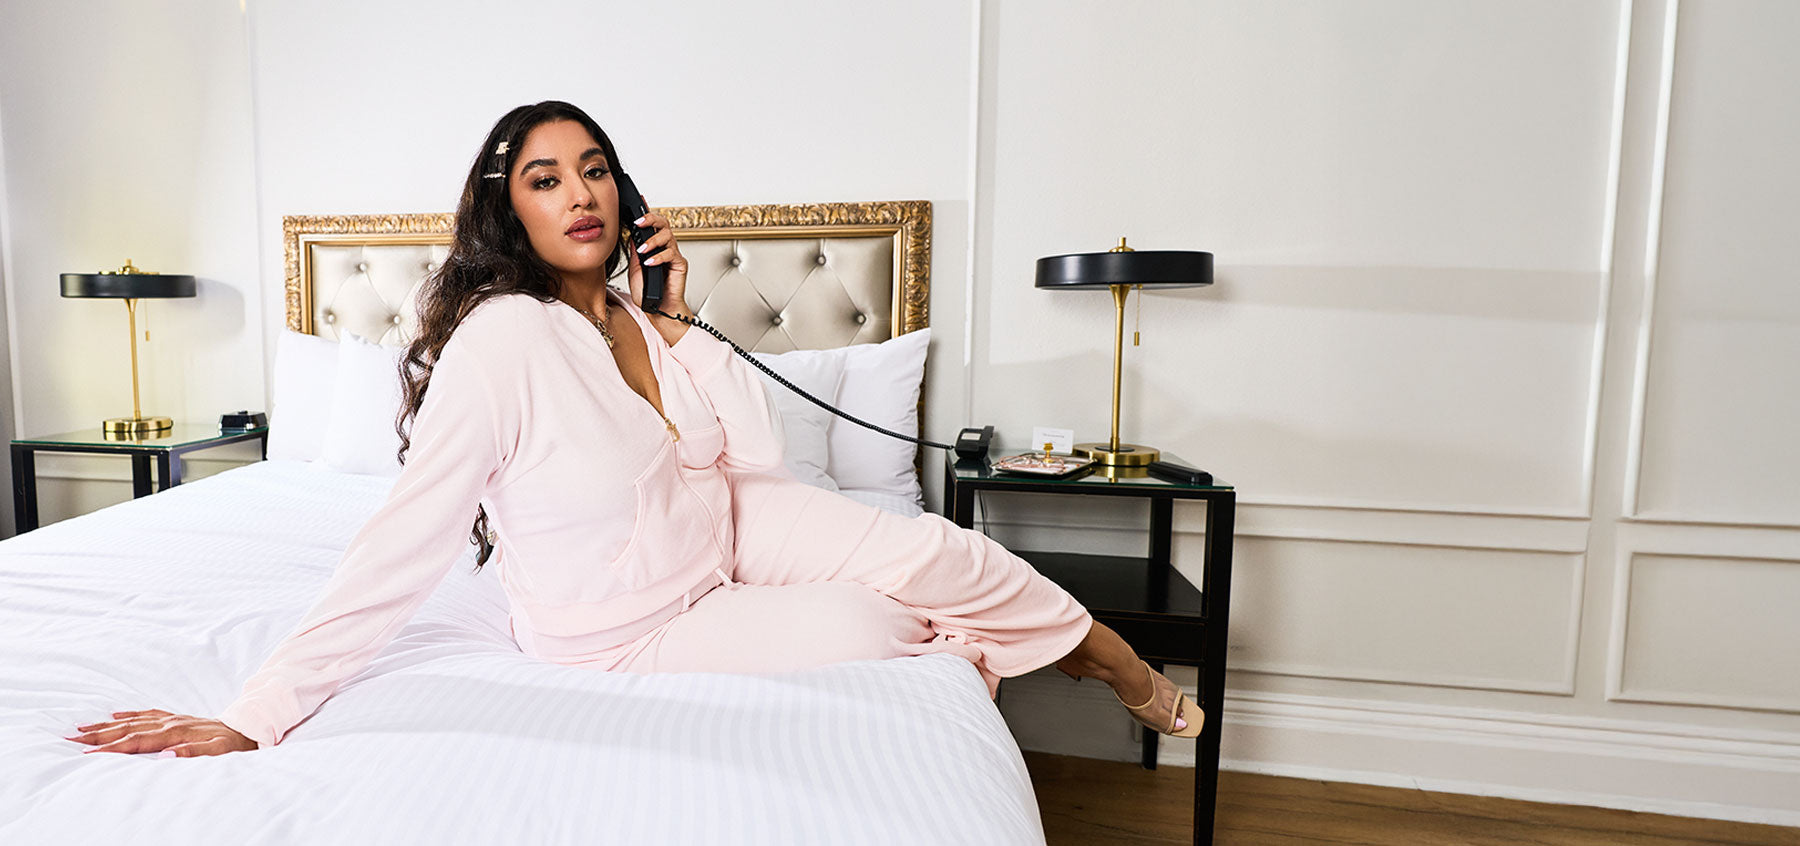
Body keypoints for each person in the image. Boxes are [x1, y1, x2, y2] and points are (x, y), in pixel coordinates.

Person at [68, 101, 1200, 758]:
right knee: (888, 627)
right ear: (507, 208)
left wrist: (676, 319)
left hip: (725, 534)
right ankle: (1030, 654)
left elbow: (754, 462)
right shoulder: (506, 338)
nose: (581, 194)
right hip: (622, 626)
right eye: (547, 179)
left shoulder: (634, 318)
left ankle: (1115, 666)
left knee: (948, 554)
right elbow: (403, 537)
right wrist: (254, 714)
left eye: (595, 170)